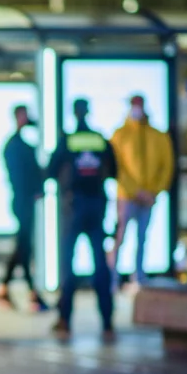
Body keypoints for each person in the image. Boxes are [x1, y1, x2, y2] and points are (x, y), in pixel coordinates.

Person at [48, 99, 116, 337]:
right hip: (97, 204)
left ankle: (65, 319)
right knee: (100, 264)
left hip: (73, 206)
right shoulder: (99, 138)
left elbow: (51, 170)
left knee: (68, 263)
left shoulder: (67, 140)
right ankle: (107, 321)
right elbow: (114, 169)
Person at [109, 95, 173, 288]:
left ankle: (139, 277)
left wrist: (154, 191)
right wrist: (135, 190)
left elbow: (167, 165)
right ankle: (112, 279)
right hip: (126, 197)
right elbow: (117, 168)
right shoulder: (120, 135)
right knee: (120, 237)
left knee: (142, 239)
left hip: (149, 197)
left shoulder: (157, 135)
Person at [0, 105, 47, 312]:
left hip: (25, 200)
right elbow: (20, 175)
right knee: (23, 246)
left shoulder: (21, 143)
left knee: (23, 246)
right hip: (22, 200)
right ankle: (31, 293)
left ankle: (8, 290)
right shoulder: (15, 145)